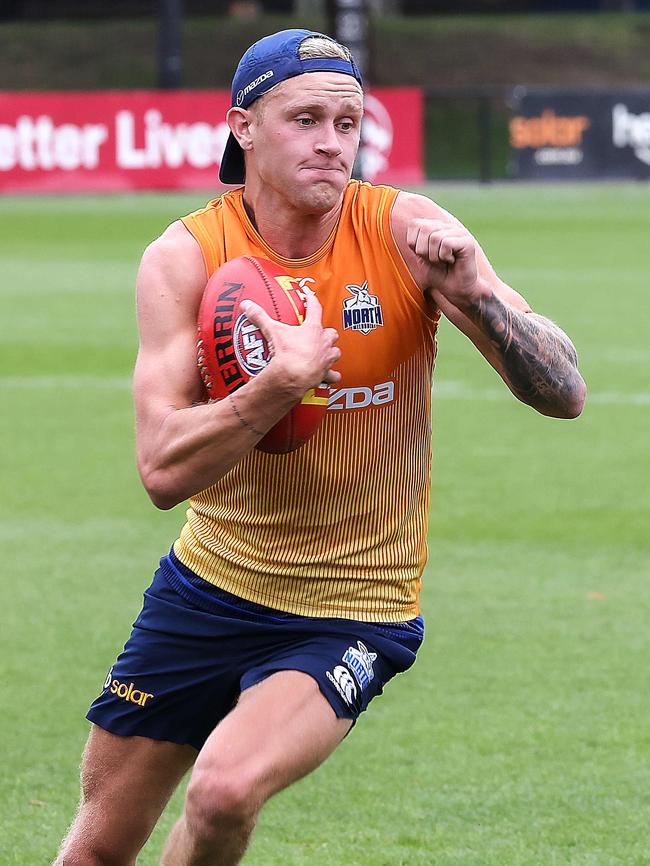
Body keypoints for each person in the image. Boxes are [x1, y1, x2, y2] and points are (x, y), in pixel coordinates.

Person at [55, 28, 586, 866]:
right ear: (244, 127)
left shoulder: (407, 234)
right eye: (305, 119)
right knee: (97, 849)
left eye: (348, 122)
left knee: (224, 790)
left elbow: (565, 395)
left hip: (354, 605)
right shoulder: (186, 258)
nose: (332, 142)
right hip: (207, 587)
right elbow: (160, 469)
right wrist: (276, 387)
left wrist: (480, 291)